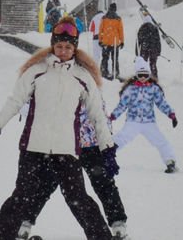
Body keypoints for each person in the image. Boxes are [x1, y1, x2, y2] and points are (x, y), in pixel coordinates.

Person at [0, 16, 118, 240]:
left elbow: (97, 116)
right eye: (59, 46)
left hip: (66, 151)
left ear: (74, 48)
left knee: (79, 199)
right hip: (33, 148)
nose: (63, 51)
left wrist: (108, 149)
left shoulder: (82, 77)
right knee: (20, 197)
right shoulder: (36, 71)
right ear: (53, 45)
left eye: (67, 47)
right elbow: (14, 101)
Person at [16, 32, 129, 240]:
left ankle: (117, 224)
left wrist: (107, 145)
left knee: (102, 182)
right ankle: (25, 222)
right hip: (62, 145)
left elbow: (100, 115)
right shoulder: (45, 79)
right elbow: (31, 107)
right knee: (45, 184)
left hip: (90, 144)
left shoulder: (85, 80)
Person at [110, 56, 178, 174]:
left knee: (160, 140)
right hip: (133, 121)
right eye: (140, 75)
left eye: (145, 75)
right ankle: (106, 157)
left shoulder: (153, 88)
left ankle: (170, 161)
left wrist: (171, 114)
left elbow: (161, 103)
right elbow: (122, 105)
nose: (142, 78)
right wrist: (113, 116)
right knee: (121, 138)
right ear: (136, 75)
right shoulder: (130, 89)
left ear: (149, 75)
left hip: (149, 122)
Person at [98, 3, 125, 80]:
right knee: (115, 59)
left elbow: (101, 30)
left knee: (105, 58)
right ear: (115, 9)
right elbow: (121, 31)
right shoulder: (118, 19)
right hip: (115, 42)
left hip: (105, 42)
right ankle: (115, 73)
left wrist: (100, 40)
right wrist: (122, 41)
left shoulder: (104, 18)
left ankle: (104, 72)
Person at [135, 12, 162, 79]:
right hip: (153, 49)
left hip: (144, 49)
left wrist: (137, 51)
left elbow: (138, 41)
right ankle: (154, 78)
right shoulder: (154, 28)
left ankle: (144, 77)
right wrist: (158, 51)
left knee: (143, 64)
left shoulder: (142, 28)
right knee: (153, 64)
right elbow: (158, 41)